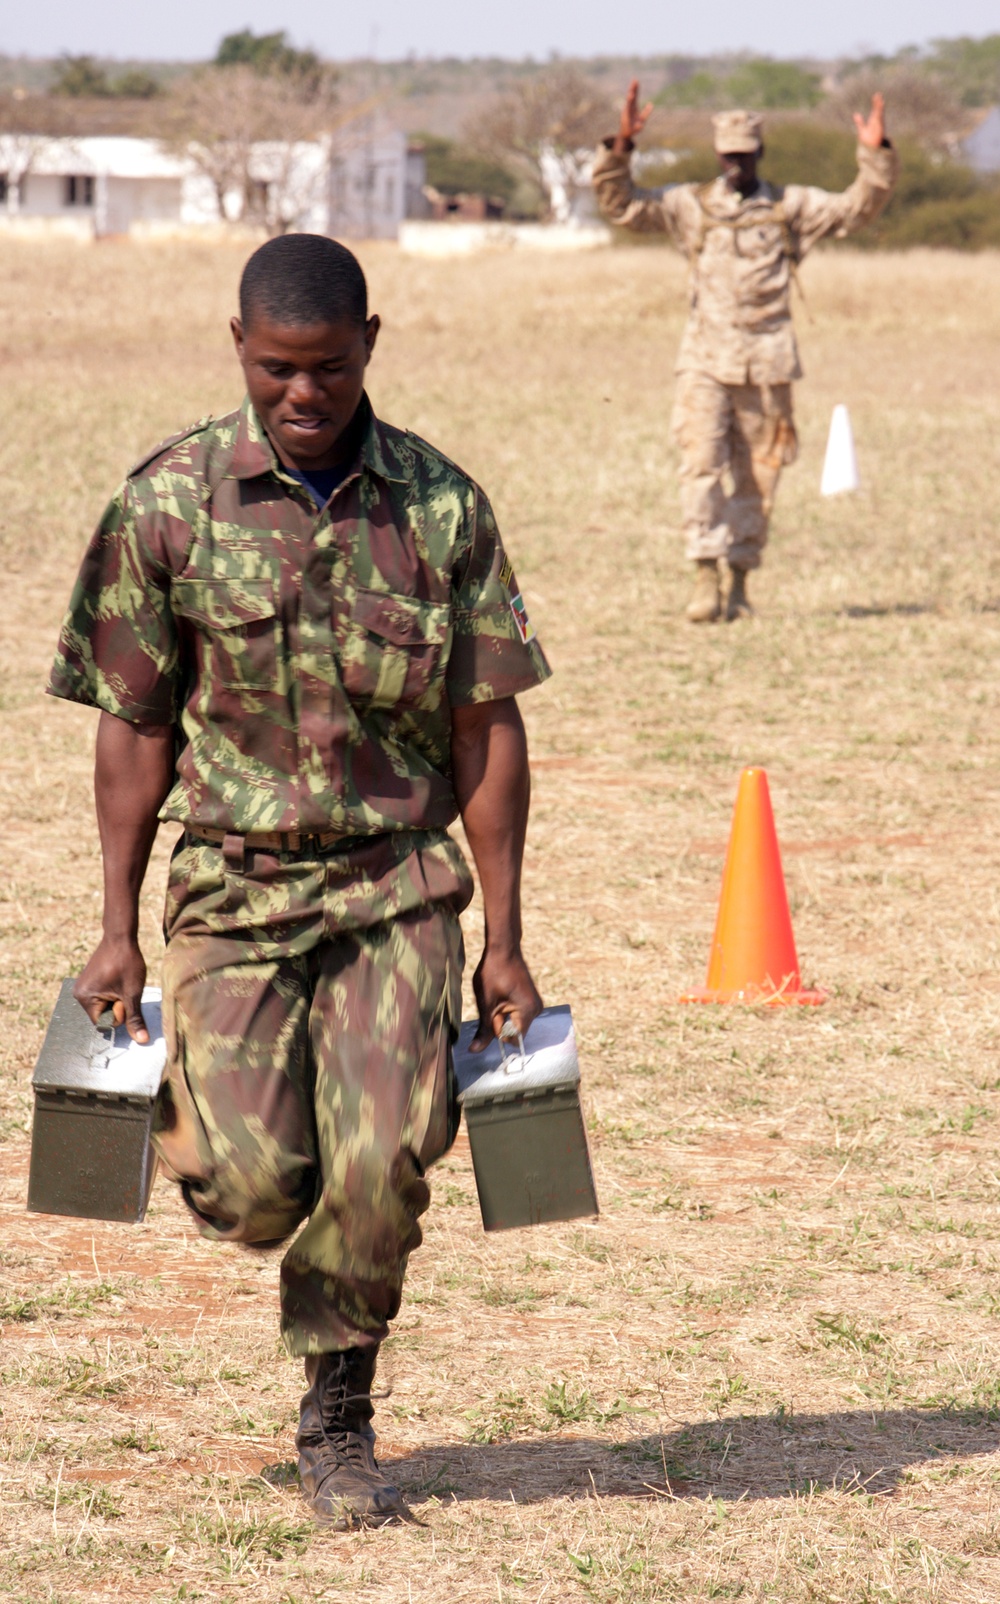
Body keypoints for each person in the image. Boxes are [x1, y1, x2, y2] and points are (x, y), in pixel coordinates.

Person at [47, 234, 550, 1529]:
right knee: (257, 1180)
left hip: (397, 888)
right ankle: (192, 1117)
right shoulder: (167, 506)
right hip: (233, 887)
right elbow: (133, 723)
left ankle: (339, 1414)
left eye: (327, 368)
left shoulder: (439, 508)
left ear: (370, 344)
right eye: (277, 370)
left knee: (381, 1158)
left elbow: (488, 726)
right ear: (239, 350)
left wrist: (503, 939)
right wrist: (115, 930)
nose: (304, 395)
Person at [592, 83, 898, 622]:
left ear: (759, 153)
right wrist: (619, 147)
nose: (735, 164)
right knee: (700, 467)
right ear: (717, 155)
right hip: (704, 361)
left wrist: (875, 155)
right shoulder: (690, 205)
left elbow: (858, 209)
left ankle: (740, 581)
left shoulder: (791, 207)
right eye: (727, 156)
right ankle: (704, 575)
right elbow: (621, 205)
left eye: (744, 155)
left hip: (769, 364)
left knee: (761, 475)